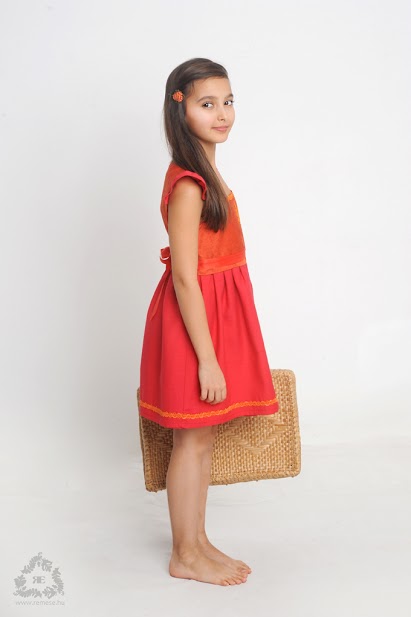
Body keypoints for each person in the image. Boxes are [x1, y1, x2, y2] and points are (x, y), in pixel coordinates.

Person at [138, 58, 279, 586]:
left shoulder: (207, 175)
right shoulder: (189, 186)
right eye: (207, 104)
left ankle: (196, 541)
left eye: (228, 101)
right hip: (193, 323)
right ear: (181, 110)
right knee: (191, 440)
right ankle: (184, 553)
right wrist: (208, 359)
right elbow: (185, 277)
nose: (222, 114)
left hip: (215, 316)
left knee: (203, 438)